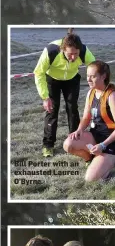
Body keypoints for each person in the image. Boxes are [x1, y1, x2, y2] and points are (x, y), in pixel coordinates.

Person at [33, 29, 96, 158]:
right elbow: (38, 73)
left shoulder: (84, 51)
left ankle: (75, 141)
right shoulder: (51, 51)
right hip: (52, 80)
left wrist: (96, 85)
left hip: (71, 79)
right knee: (52, 110)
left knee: (72, 108)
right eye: (70, 54)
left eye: (76, 54)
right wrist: (45, 97)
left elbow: (94, 68)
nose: (73, 58)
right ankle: (48, 145)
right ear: (63, 49)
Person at [63, 61, 115, 182]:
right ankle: (90, 159)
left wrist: (103, 145)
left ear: (103, 77)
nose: (88, 79)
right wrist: (80, 129)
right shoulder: (91, 92)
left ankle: (114, 161)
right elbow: (86, 117)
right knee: (68, 144)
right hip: (95, 136)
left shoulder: (112, 96)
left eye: (93, 76)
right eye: (87, 76)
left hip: (112, 142)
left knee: (90, 179)